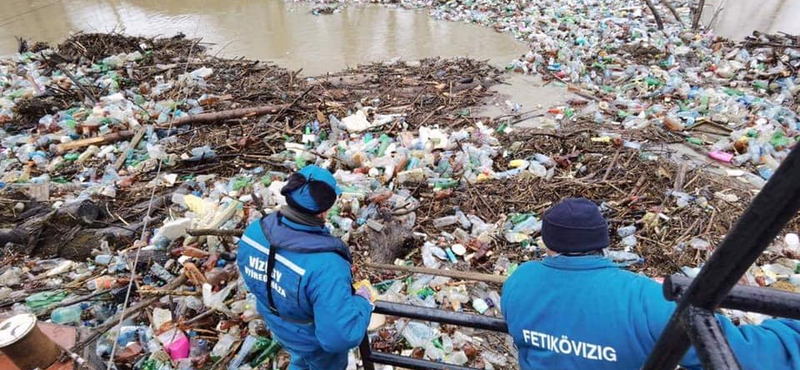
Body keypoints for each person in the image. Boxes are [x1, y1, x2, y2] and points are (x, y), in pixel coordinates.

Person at [501, 197, 800, 370]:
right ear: (603, 241)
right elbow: (746, 356)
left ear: (546, 240)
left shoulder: (519, 282)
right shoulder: (646, 298)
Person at [237, 165, 374, 370]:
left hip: (279, 325)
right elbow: (339, 337)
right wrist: (363, 302)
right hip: (314, 342)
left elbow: (249, 275)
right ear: (324, 210)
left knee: (300, 360)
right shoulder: (327, 265)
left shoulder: (255, 231)